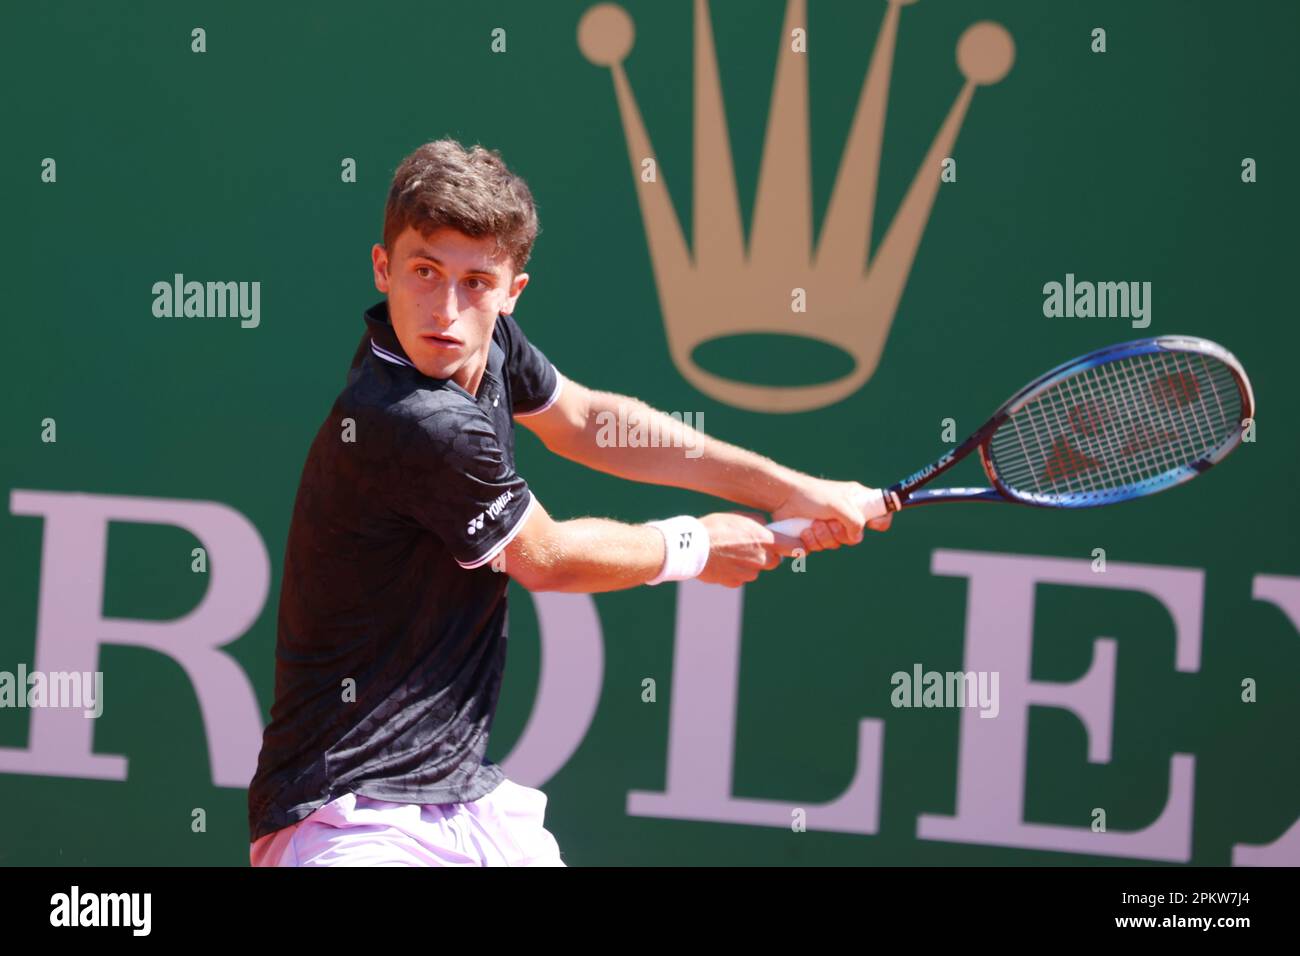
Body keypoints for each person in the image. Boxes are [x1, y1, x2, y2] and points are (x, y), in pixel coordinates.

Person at [246, 138, 891, 866]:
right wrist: (698, 545)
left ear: (512, 291)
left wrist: (792, 489)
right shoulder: (413, 417)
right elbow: (546, 559)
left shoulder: (483, 351)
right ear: (383, 267)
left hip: (462, 796)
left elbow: (590, 423)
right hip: (350, 815)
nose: (447, 311)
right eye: (424, 272)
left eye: (476, 282)